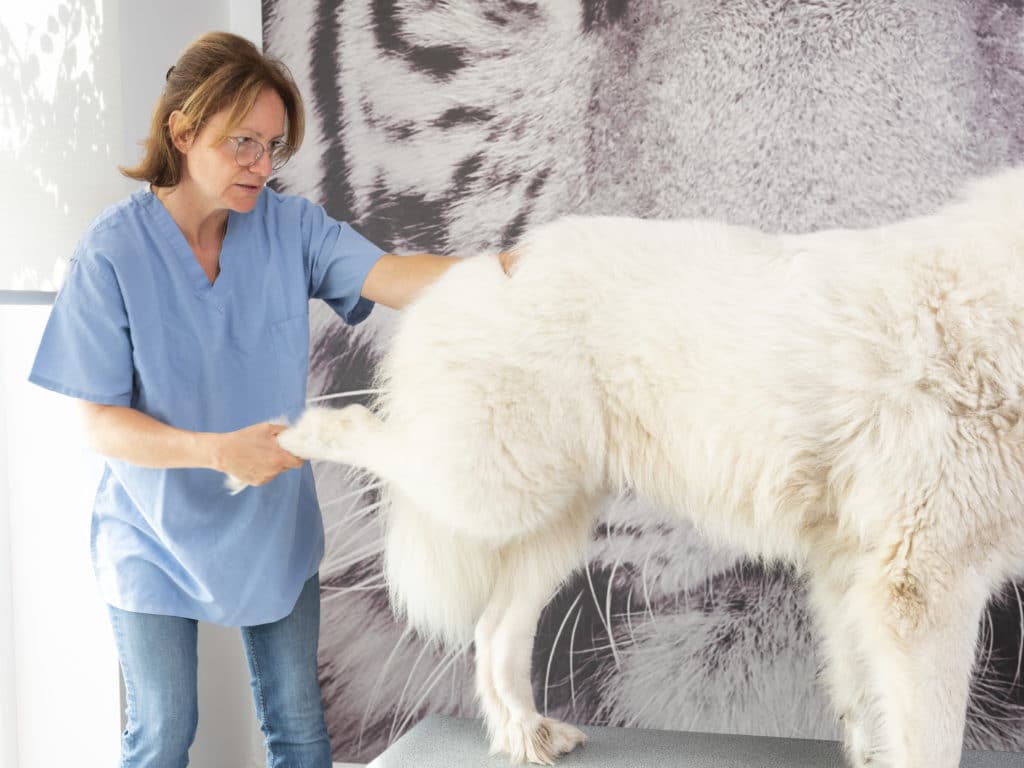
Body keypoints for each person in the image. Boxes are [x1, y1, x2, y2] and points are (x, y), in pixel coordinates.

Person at [28, 30, 495, 767]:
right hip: (151, 533)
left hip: (271, 529)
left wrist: (508, 274)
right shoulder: (113, 252)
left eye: (273, 146)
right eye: (242, 142)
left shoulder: (290, 228)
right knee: (160, 733)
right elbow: (98, 423)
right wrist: (216, 449)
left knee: (299, 732)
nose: (262, 164)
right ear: (183, 130)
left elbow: (396, 277)